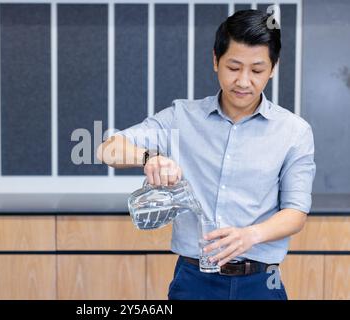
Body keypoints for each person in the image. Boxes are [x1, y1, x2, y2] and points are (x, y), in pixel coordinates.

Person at [97, 9, 316, 300]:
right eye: (234, 67)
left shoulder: (294, 132)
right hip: (193, 281)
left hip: (261, 282)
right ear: (216, 60)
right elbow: (107, 148)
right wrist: (149, 158)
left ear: (274, 67)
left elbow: (295, 213)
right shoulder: (181, 118)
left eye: (257, 70)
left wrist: (250, 235)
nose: (243, 81)